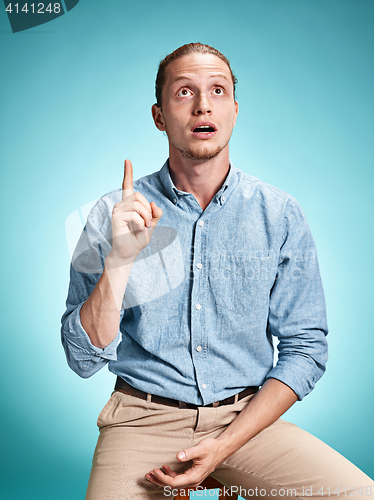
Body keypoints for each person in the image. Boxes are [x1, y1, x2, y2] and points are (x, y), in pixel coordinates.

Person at [61, 43, 373, 499]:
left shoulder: (280, 214)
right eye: (184, 92)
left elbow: (306, 347)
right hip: (142, 420)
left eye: (218, 91)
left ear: (234, 109)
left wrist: (226, 444)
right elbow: (81, 357)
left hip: (245, 423)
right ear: (159, 115)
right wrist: (121, 259)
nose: (204, 104)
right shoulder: (113, 213)